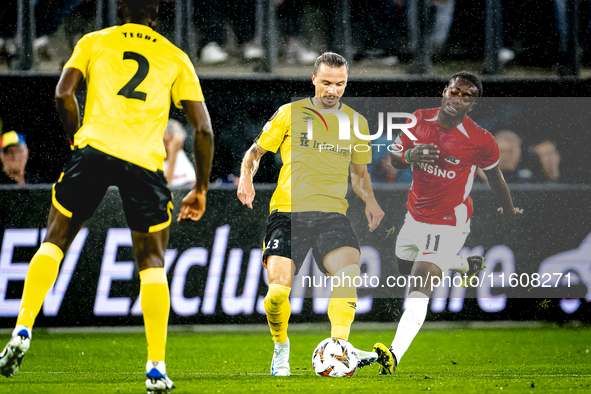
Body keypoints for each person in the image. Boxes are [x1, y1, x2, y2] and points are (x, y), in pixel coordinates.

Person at [0, 2, 214, 393]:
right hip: (144, 164)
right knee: (151, 262)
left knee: (55, 240)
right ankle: (155, 366)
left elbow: (63, 93)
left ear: (119, 8)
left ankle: (23, 328)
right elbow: (203, 129)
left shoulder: (95, 41)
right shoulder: (175, 56)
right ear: (158, 12)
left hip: (93, 151)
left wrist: (75, 139)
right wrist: (200, 188)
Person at [237, 52, 385, 376]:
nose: (333, 90)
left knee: (348, 276)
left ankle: (338, 348)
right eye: (327, 83)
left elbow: (359, 174)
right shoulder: (290, 113)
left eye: (340, 84)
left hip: (332, 215)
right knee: (276, 296)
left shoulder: (356, 123)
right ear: (314, 79)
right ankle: (280, 347)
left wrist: (370, 201)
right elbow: (255, 152)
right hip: (288, 214)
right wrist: (246, 177)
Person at [373, 71, 523, 375]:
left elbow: (495, 177)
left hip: (449, 222)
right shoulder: (418, 119)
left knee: (419, 281)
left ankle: (394, 354)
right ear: (445, 92)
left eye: (467, 97)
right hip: (414, 215)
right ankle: (463, 265)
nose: (459, 99)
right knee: (404, 265)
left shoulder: (480, 140)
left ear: (473, 104)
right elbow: (395, 159)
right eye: (455, 92)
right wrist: (412, 154)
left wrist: (508, 209)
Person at [163, 119, 197, 187]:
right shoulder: (153, 157)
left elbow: (193, 183)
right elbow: (165, 185)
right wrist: (172, 154)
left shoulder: (180, 154)